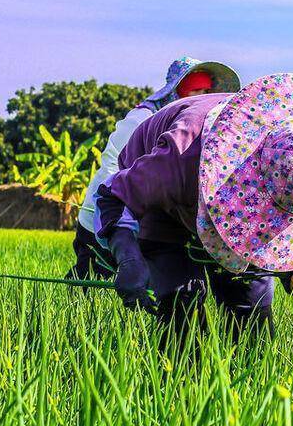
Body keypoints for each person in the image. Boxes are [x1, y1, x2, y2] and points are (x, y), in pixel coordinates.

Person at [91, 73, 293, 344]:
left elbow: (288, 204)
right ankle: (183, 381)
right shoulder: (177, 157)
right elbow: (113, 196)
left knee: (253, 319)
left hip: (226, 197)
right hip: (164, 209)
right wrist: (129, 258)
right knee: (182, 308)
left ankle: (250, 381)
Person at [68, 57, 241, 279]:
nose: (201, 97)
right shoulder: (143, 117)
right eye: (194, 91)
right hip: (106, 211)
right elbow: (114, 165)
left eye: (206, 90)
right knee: (91, 276)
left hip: (147, 210)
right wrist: (114, 209)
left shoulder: (199, 127)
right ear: (177, 91)